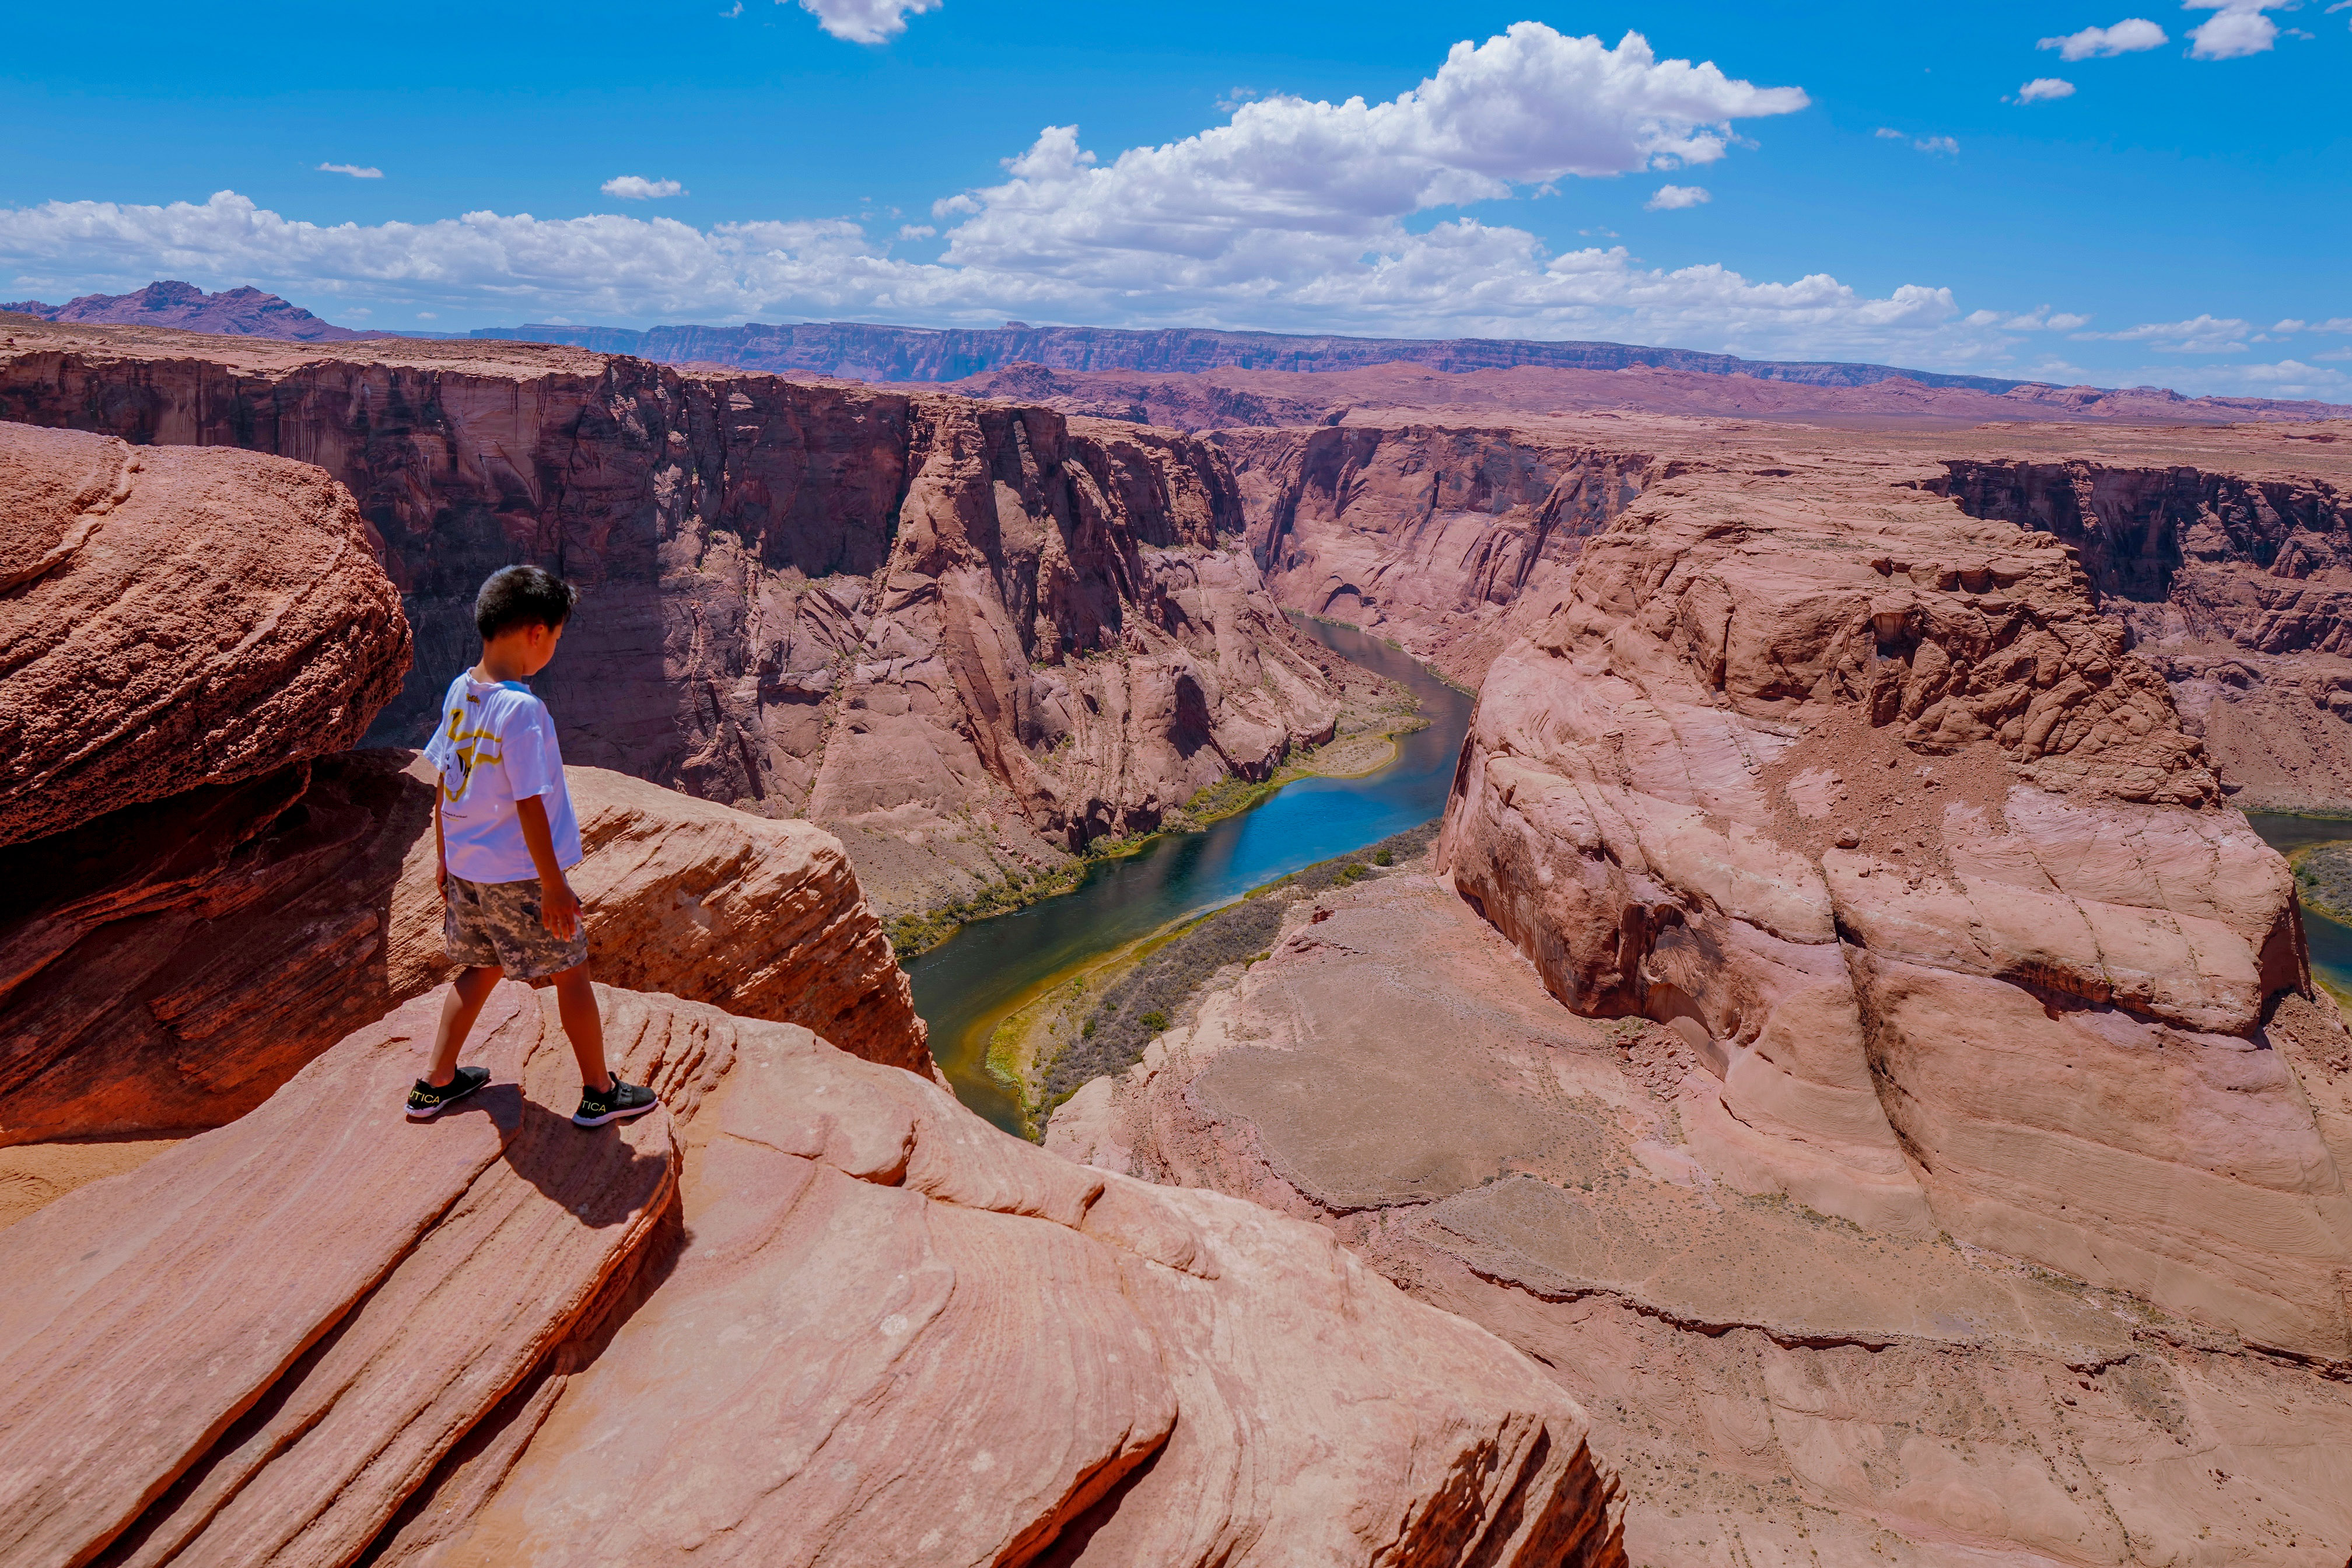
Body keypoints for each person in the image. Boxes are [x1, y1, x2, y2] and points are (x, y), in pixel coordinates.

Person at [405, 565, 659, 1129]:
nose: (555, 650)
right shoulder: (522, 711)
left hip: (470, 865)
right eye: (559, 638)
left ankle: (435, 1083)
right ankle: (600, 1093)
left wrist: (446, 856)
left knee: (479, 967)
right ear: (537, 633)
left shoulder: (460, 688)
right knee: (572, 973)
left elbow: (447, 775)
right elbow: (530, 803)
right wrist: (553, 885)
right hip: (519, 873)